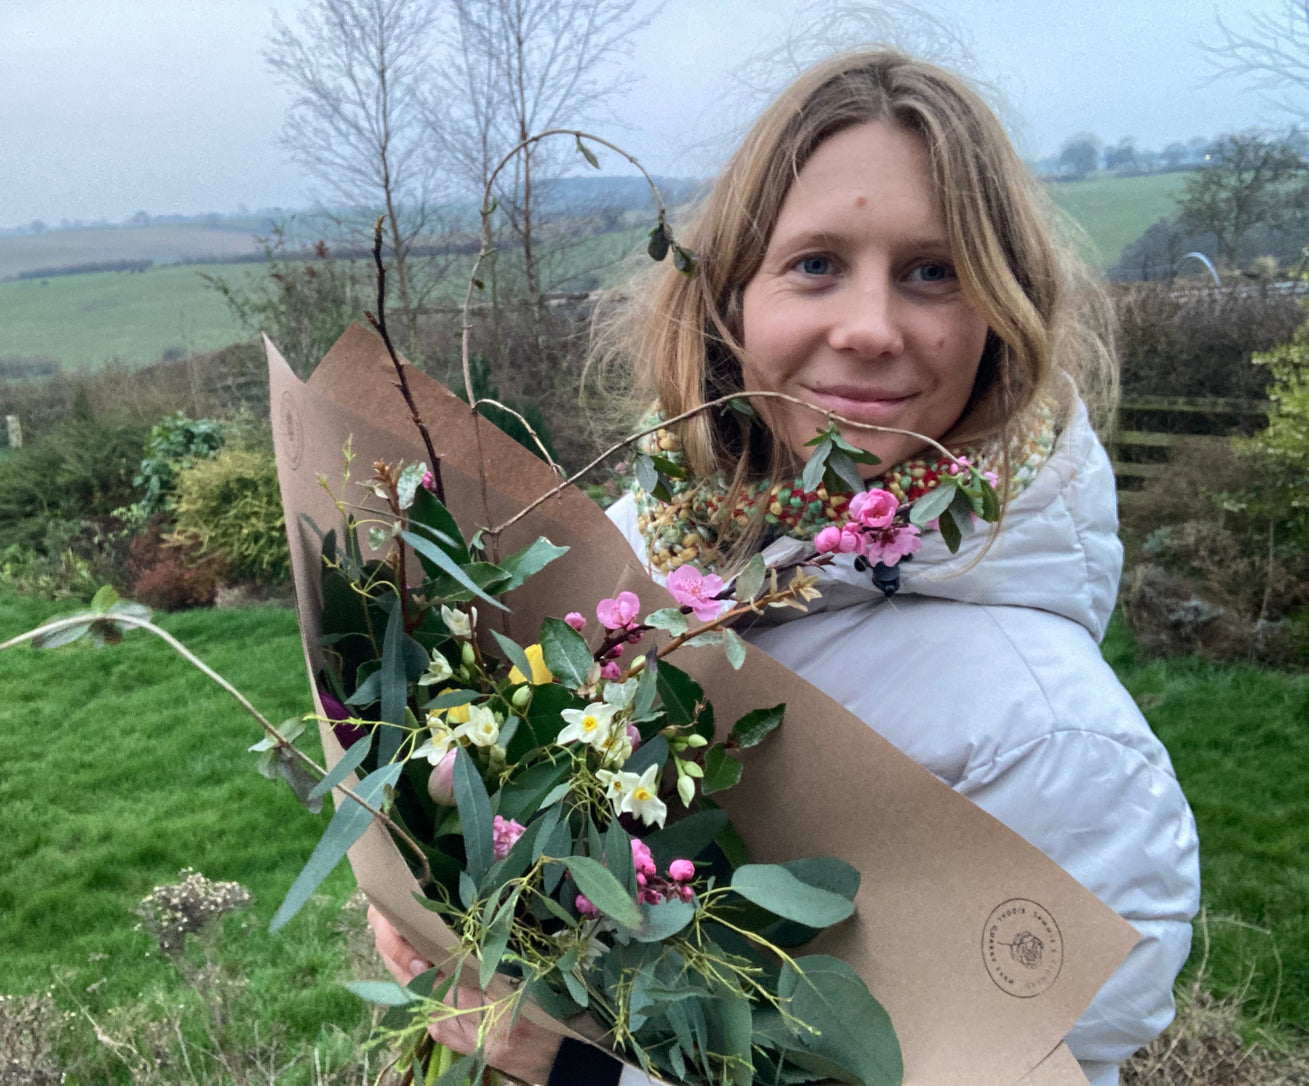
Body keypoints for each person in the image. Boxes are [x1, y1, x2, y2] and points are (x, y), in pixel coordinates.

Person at [372, 49, 1200, 1086]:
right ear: (727, 301)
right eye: (813, 263)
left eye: (931, 272)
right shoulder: (637, 560)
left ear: (999, 314)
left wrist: (578, 1070)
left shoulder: (1052, 740)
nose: (867, 327)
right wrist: (440, 878)